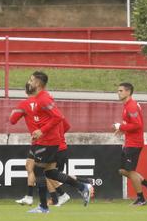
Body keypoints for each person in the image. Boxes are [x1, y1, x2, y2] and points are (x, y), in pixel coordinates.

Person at [26, 71, 94, 213]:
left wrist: (42, 131)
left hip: (49, 141)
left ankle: (44, 207)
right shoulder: (42, 97)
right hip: (49, 140)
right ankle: (83, 187)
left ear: (38, 83)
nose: (29, 82)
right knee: (50, 172)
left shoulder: (43, 98)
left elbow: (58, 117)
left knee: (38, 170)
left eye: (31, 80)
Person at [10, 82, 77, 207]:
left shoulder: (25, 104)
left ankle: (80, 186)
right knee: (33, 168)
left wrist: (43, 131)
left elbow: (12, 120)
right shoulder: (50, 108)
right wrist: (58, 135)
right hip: (53, 143)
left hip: (44, 143)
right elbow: (66, 125)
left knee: (45, 172)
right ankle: (40, 197)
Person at [113, 83, 147, 206]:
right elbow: (131, 123)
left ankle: (141, 198)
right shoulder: (128, 105)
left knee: (130, 171)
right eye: (118, 90)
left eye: (121, 90)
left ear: (128, 92)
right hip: (130, 142)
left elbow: (137, 125)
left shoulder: (131, 106)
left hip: (134, 143)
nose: (118, 93)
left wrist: (120, 126)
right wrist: (122, 129)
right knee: (122, 170)